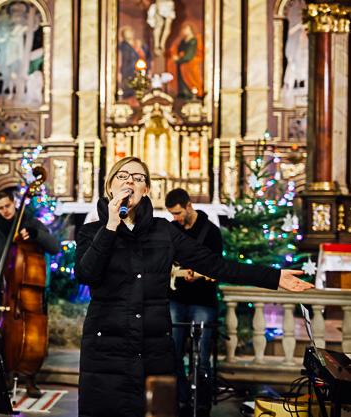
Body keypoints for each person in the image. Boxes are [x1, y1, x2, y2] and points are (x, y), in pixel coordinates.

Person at [74, 157, 314, 417]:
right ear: (110, 185)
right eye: (122, 176)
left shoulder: (163, 232)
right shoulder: (91, 232)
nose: (130, 181)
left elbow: (214, 264)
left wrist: (273, 277)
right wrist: (111, 226)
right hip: (106, 349)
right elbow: (86, 274)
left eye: (138, 178)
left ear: (146, 190)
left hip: (152, 349)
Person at [0, 189, 60, 397]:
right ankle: (7, 374)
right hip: (5, 290)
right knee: (3, 334)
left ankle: (30, 378)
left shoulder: (30, 223)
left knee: (33, 337)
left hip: (28, 294)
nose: (5, 210)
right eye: (0, 208)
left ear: (14, 202)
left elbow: (54, 247)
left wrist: (36, 235)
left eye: (7, 206)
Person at [165, 188, 221, 416]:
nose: (175, 218)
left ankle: (202, 405)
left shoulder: (211, 231)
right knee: (173, 355)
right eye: (172, 214)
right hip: (176, 298)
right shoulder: (172, 229)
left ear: (189, 205)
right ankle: (180, 402)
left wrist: (199, 274)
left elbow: (218, 266)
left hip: (202, 300)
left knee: (202, 357)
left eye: (178, 213)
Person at [170, 24, 204, 99]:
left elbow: (190, 55)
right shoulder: (183, 41)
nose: (184, 31)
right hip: (182, 66)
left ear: (191, 30)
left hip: (189, 66)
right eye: (184, 29)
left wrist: (179, 58)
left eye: (186, 29)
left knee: (191, 83)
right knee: (182, 85)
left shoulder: (193, 41)